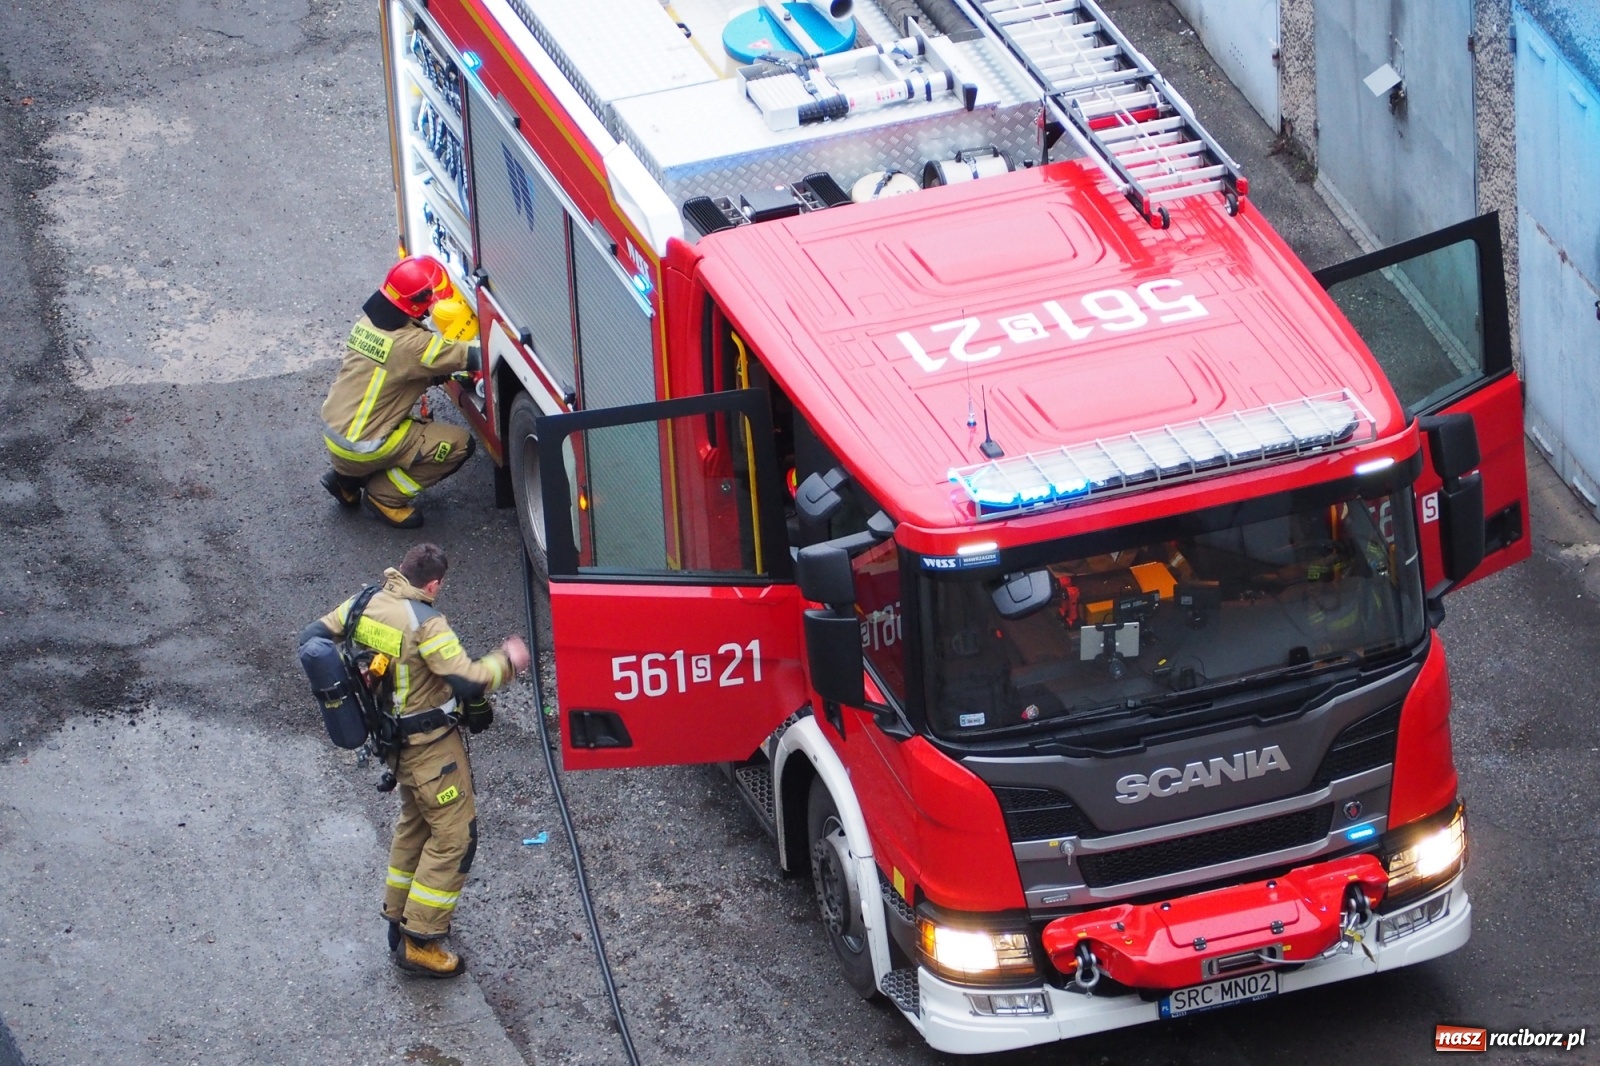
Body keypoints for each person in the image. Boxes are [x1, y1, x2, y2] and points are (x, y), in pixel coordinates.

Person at [298, 543, 531, 977]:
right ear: (434, 584)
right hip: (431, 754)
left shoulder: (363, 602)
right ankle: (420, 941)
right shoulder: (427, 624)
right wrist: (509, 661)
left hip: (393, 746)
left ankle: (398, 917)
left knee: (416, 826)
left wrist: (354, 686)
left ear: (400, 570)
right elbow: (468, 680)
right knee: (454, 839)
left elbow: (311, 638)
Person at [319, 255, 483, 529]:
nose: (433, 307)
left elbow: (394, 371)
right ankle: (385, 496)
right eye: (430, 301)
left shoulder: (368, 324)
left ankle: (346, 480)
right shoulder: (413, 345)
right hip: (364, 447)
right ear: (417, 302)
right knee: (459, 443)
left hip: (338, 436)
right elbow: (473, 354)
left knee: (386, 426)